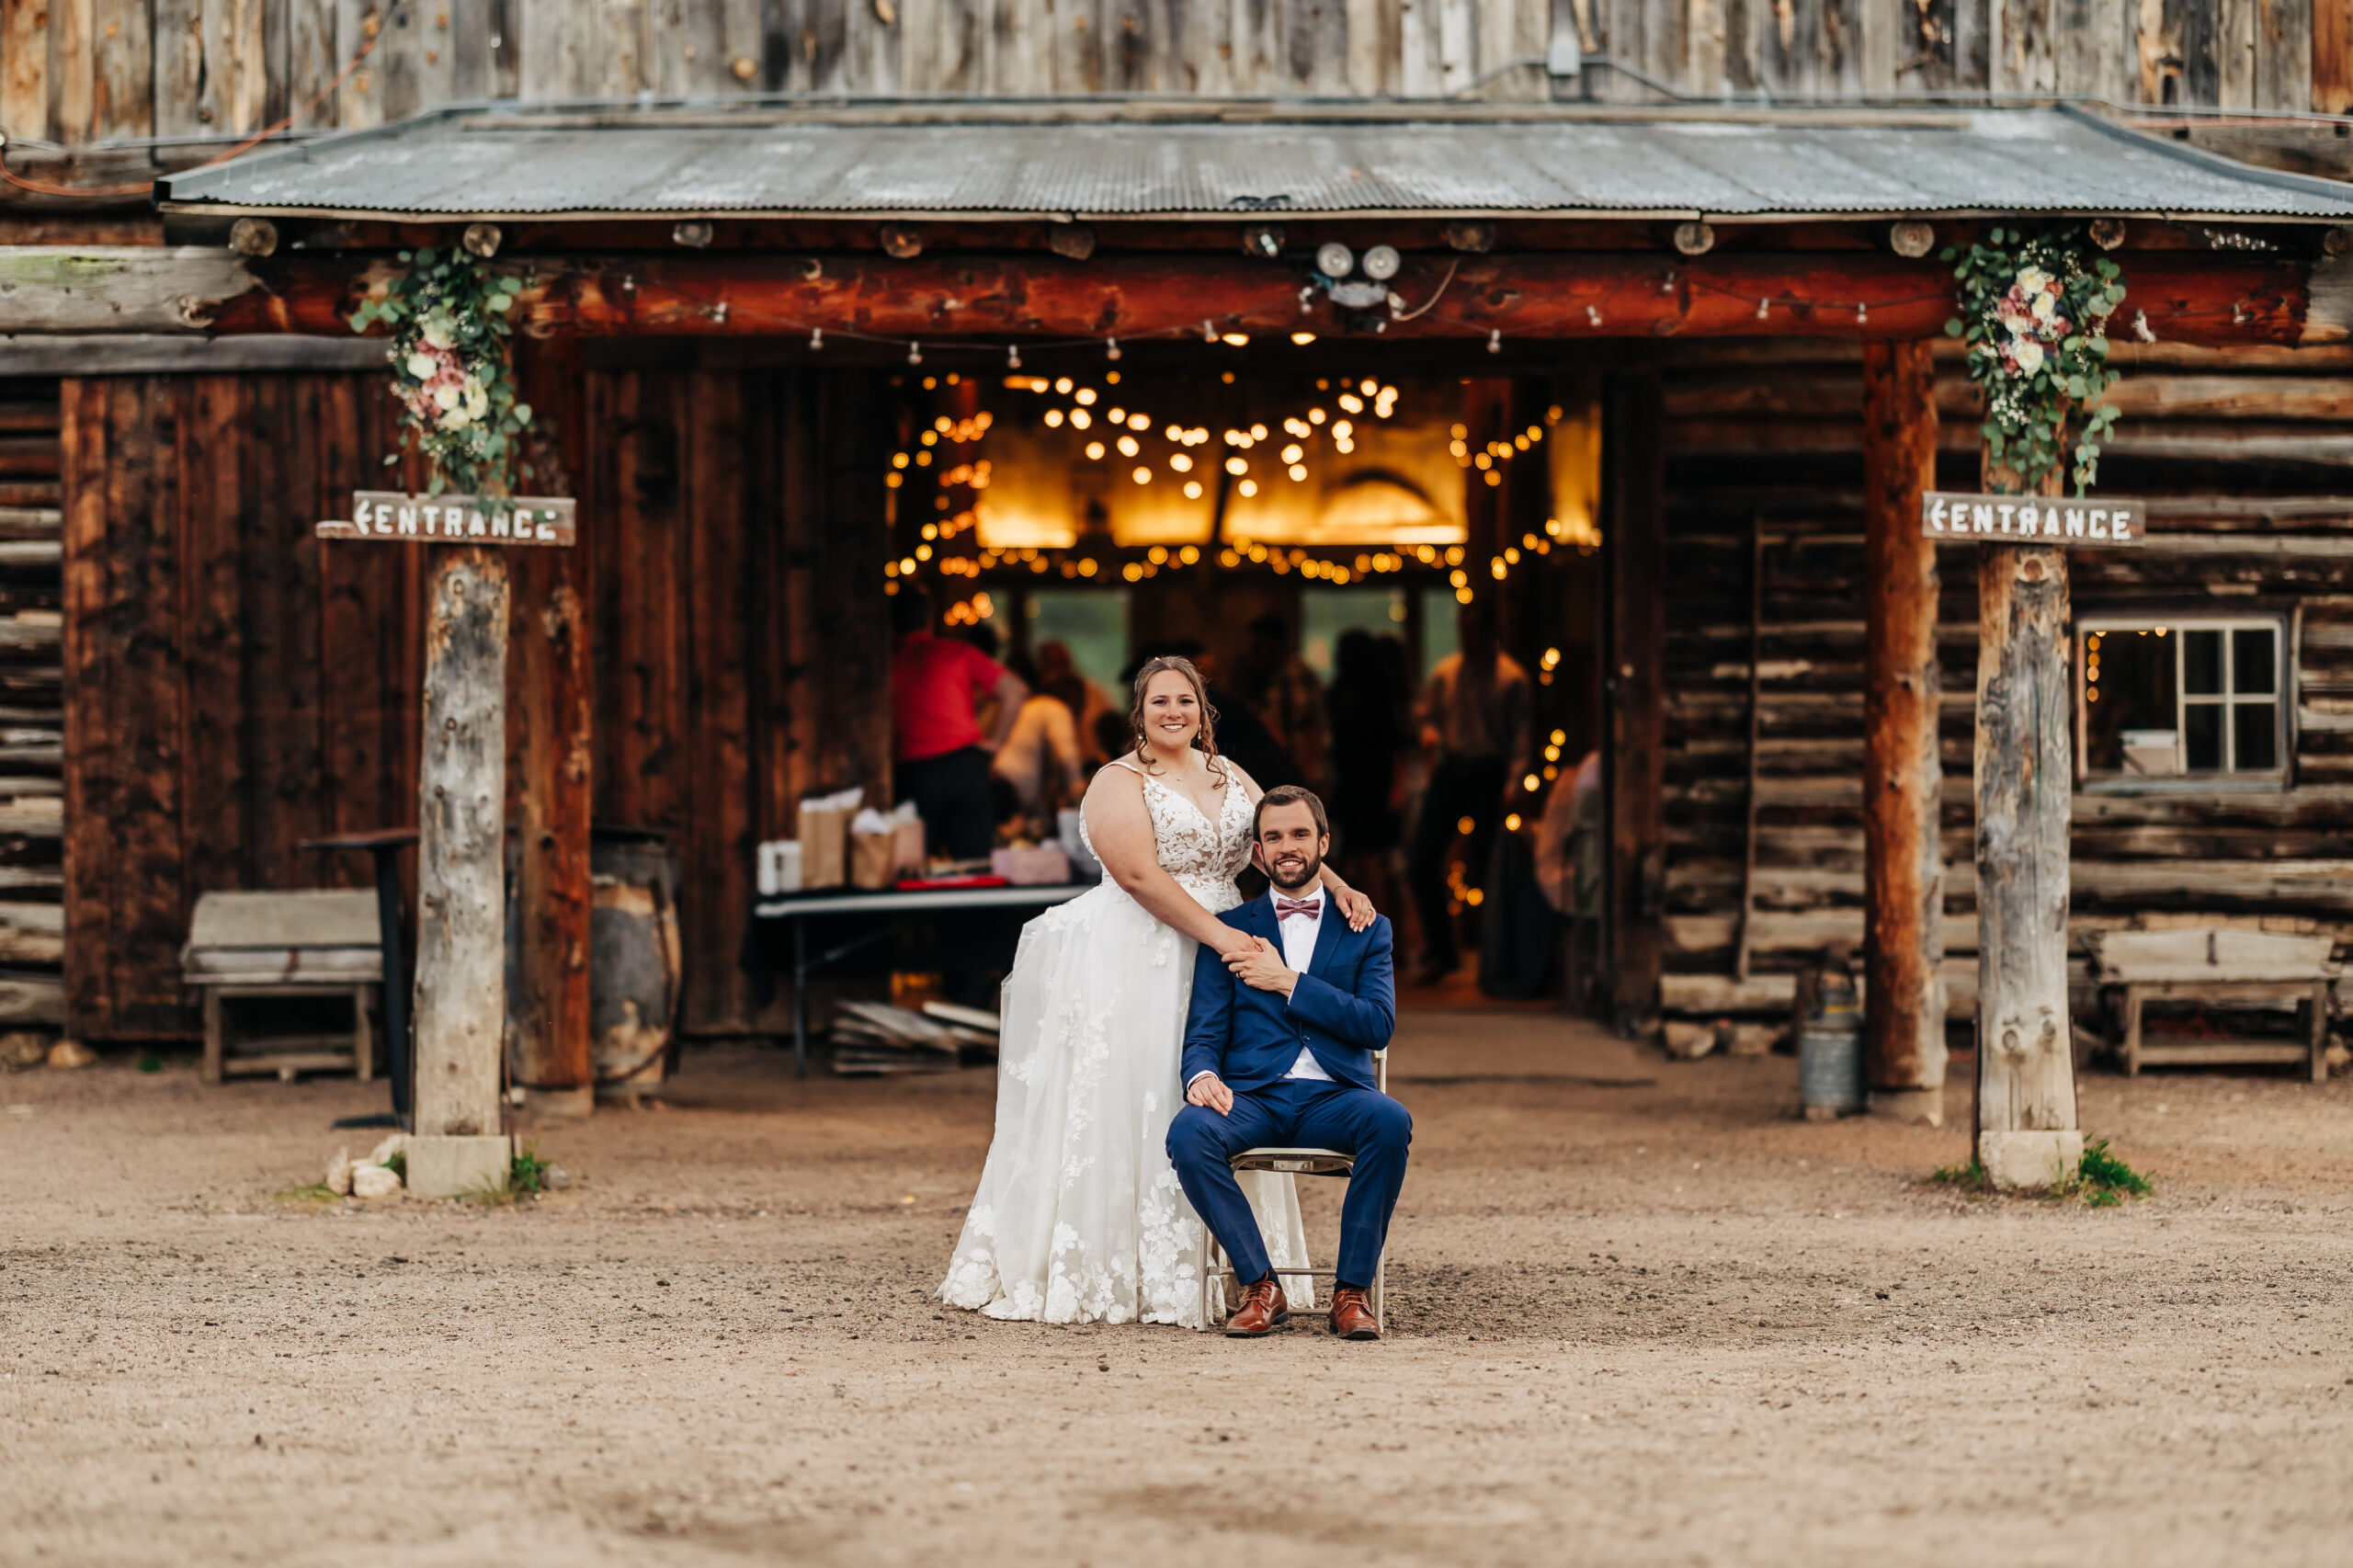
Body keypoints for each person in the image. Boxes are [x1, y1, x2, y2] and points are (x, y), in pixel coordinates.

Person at [939, 656, 1375, 1327]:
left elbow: (1280, 836)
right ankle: (1137, 1267)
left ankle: (1246, 1271)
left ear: (1204, 711)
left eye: (1187, 701)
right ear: (1138, 713)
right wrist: (1226, 939)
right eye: (1159, 702)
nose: (1174, 712)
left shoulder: (1229, 774)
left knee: (1231, 1087)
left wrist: (1338, 887)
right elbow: (1141, 877)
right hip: (1140, 952)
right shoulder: (1117, 781)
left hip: (1226, 949)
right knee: (1140, 1092)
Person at [1169, 786, 1405, 1340]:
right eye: (1274, 837)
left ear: (1324, 842)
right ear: (1258, 853)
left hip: (1336, 1098)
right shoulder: (1227, 929)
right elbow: (1203, 1031)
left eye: (1299, 834)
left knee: (1390, 1120)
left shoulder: (1368, 927)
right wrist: (1200, 1076)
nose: (1288, 847)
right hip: (1254, 1098)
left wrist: (1290, 984)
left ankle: (1351, 1293)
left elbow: (1377, 1025)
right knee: (1189, 1132)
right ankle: (1261, 1285)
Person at [1406, 615, 1530, 984]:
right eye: (1466, 630)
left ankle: (1498, 957)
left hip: (1490, 774)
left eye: (1478, 630)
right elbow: (1424, 714)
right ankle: (1443, 950)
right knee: (1422, 859)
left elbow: (1522, 739)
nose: (1471, 638)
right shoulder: (1446, 672)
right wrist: (1430, 736)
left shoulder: (1512, 678)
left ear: (1492, 632)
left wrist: (1515, 783)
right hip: (1451, 768)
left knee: (1490, 865)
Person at [891, 587, 1028, 861]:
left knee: (914, 869)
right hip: (965, 768)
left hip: (913, 774)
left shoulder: (882, 663)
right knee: (975, 866)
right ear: (929, 619)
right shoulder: (957, 652)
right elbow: (1016, 690)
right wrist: (994, 744)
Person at [1323, 628, 1410, 920]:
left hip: (1364, 784)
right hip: (1366, 783)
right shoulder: (1376, 692)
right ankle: (1382, 932)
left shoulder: (1357, 694)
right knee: (1371, 861)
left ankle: (1379, 931)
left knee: (1368, 860)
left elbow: (1394, 744)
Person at [1235, 614, 1326, 783]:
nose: (1254, 653)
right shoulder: (1267, 676)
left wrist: (1305, 778)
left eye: (1259, 647)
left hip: (1294, 773)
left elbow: (1311, 730)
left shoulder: (1295, 676)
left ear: (1276, 645)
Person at [990, 667, 1086, 817]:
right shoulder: (1057, 709)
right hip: (1012, 789)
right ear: (1072, 696)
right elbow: (1068, 757)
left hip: (997, 777)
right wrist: (1081, 800)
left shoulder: (1030, 706)